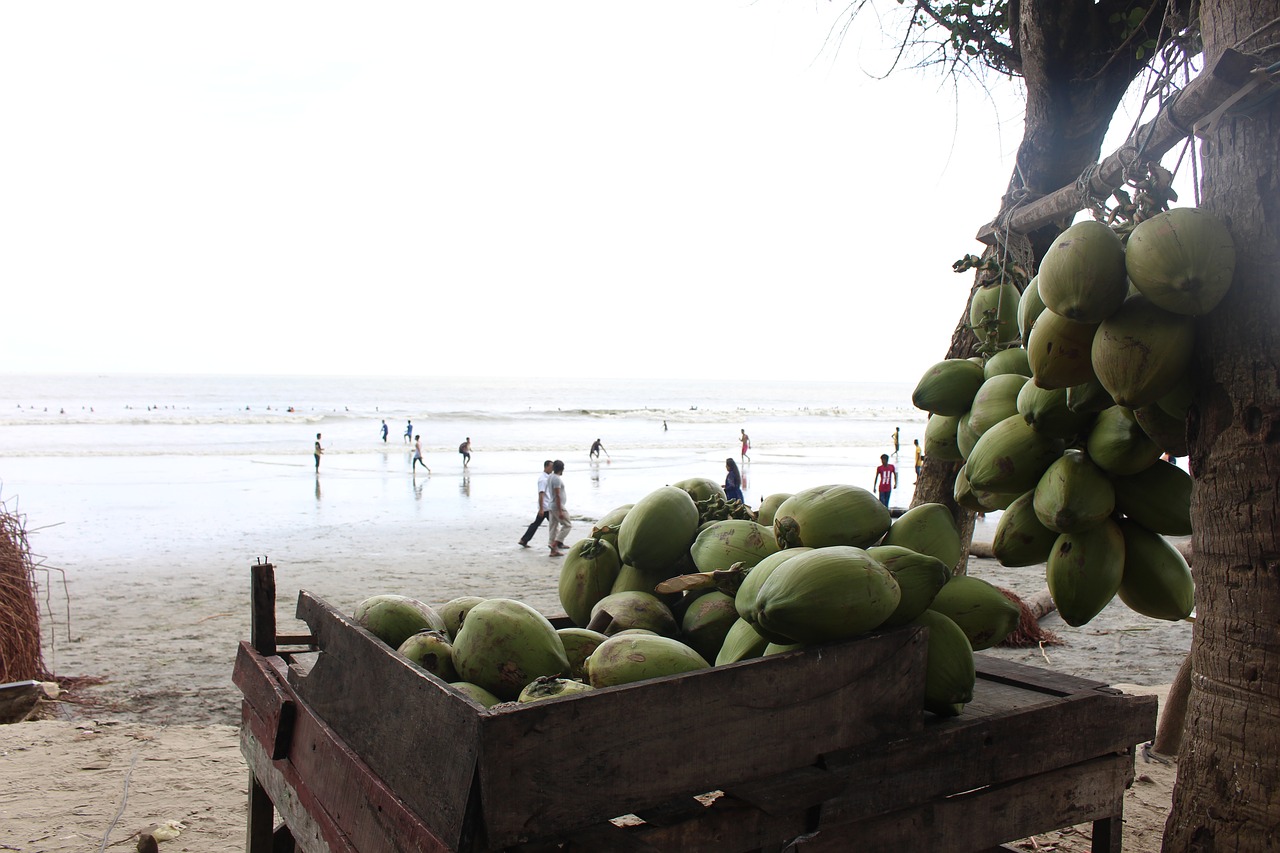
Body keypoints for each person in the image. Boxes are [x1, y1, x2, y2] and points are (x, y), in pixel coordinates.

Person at [518, 460, 554, 548]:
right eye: (551, 467)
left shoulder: (548, 477)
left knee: (537, 524)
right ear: (546, 467)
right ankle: (556, 543)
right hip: (545, 507)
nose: (552, 469)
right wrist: (541, 508)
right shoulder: (543, 479)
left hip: (547, 506)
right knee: (554, 525)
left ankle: (524, 540)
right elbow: (541, 494)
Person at [546, 460, 570, 557]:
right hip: (557, 506)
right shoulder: (556, 479)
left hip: (551, 505)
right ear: (562, 468)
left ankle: (553, 550)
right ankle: (555, 544)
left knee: (553, 527)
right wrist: (560, 510)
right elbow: (558, 495)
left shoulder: (550, 477)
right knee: (567, 525)